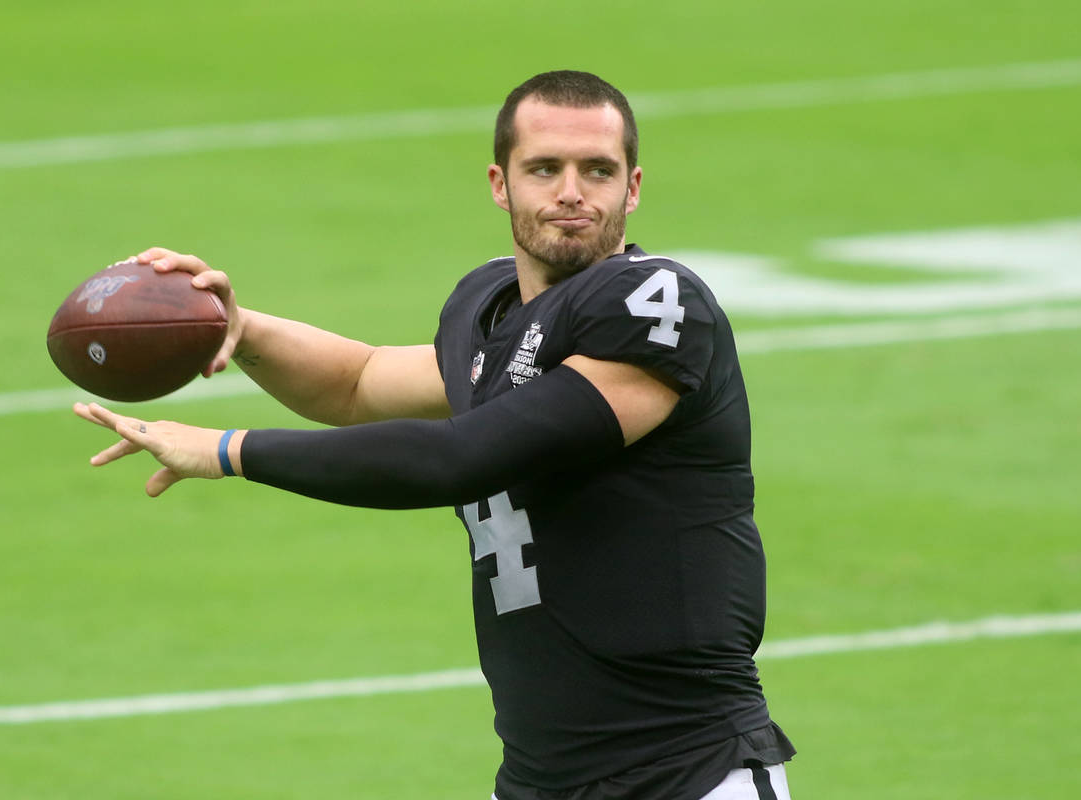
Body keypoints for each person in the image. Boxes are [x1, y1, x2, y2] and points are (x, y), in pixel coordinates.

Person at [74, 70, 796, 800]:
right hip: (539, 779)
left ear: (632, 188)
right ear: (499, 183)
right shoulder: (488, 308)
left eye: (597, 171)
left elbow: (459, 459)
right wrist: (243, 328)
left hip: (686, 771)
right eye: (544, 168)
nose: (572, 191)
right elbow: (356, 381)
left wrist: (229, 451)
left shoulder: (651, 304)